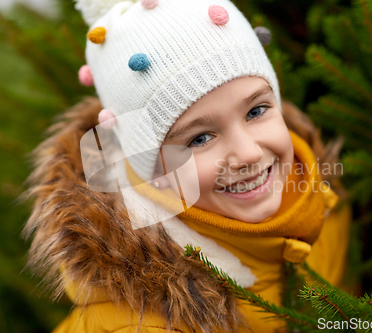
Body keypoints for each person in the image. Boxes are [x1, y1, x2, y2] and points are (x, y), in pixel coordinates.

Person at [20, 0, 352, 332]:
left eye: (256, 111)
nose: (249, 154)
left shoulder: (324, 206)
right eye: (200, 138)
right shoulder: (140, 324)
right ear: (155, 172)